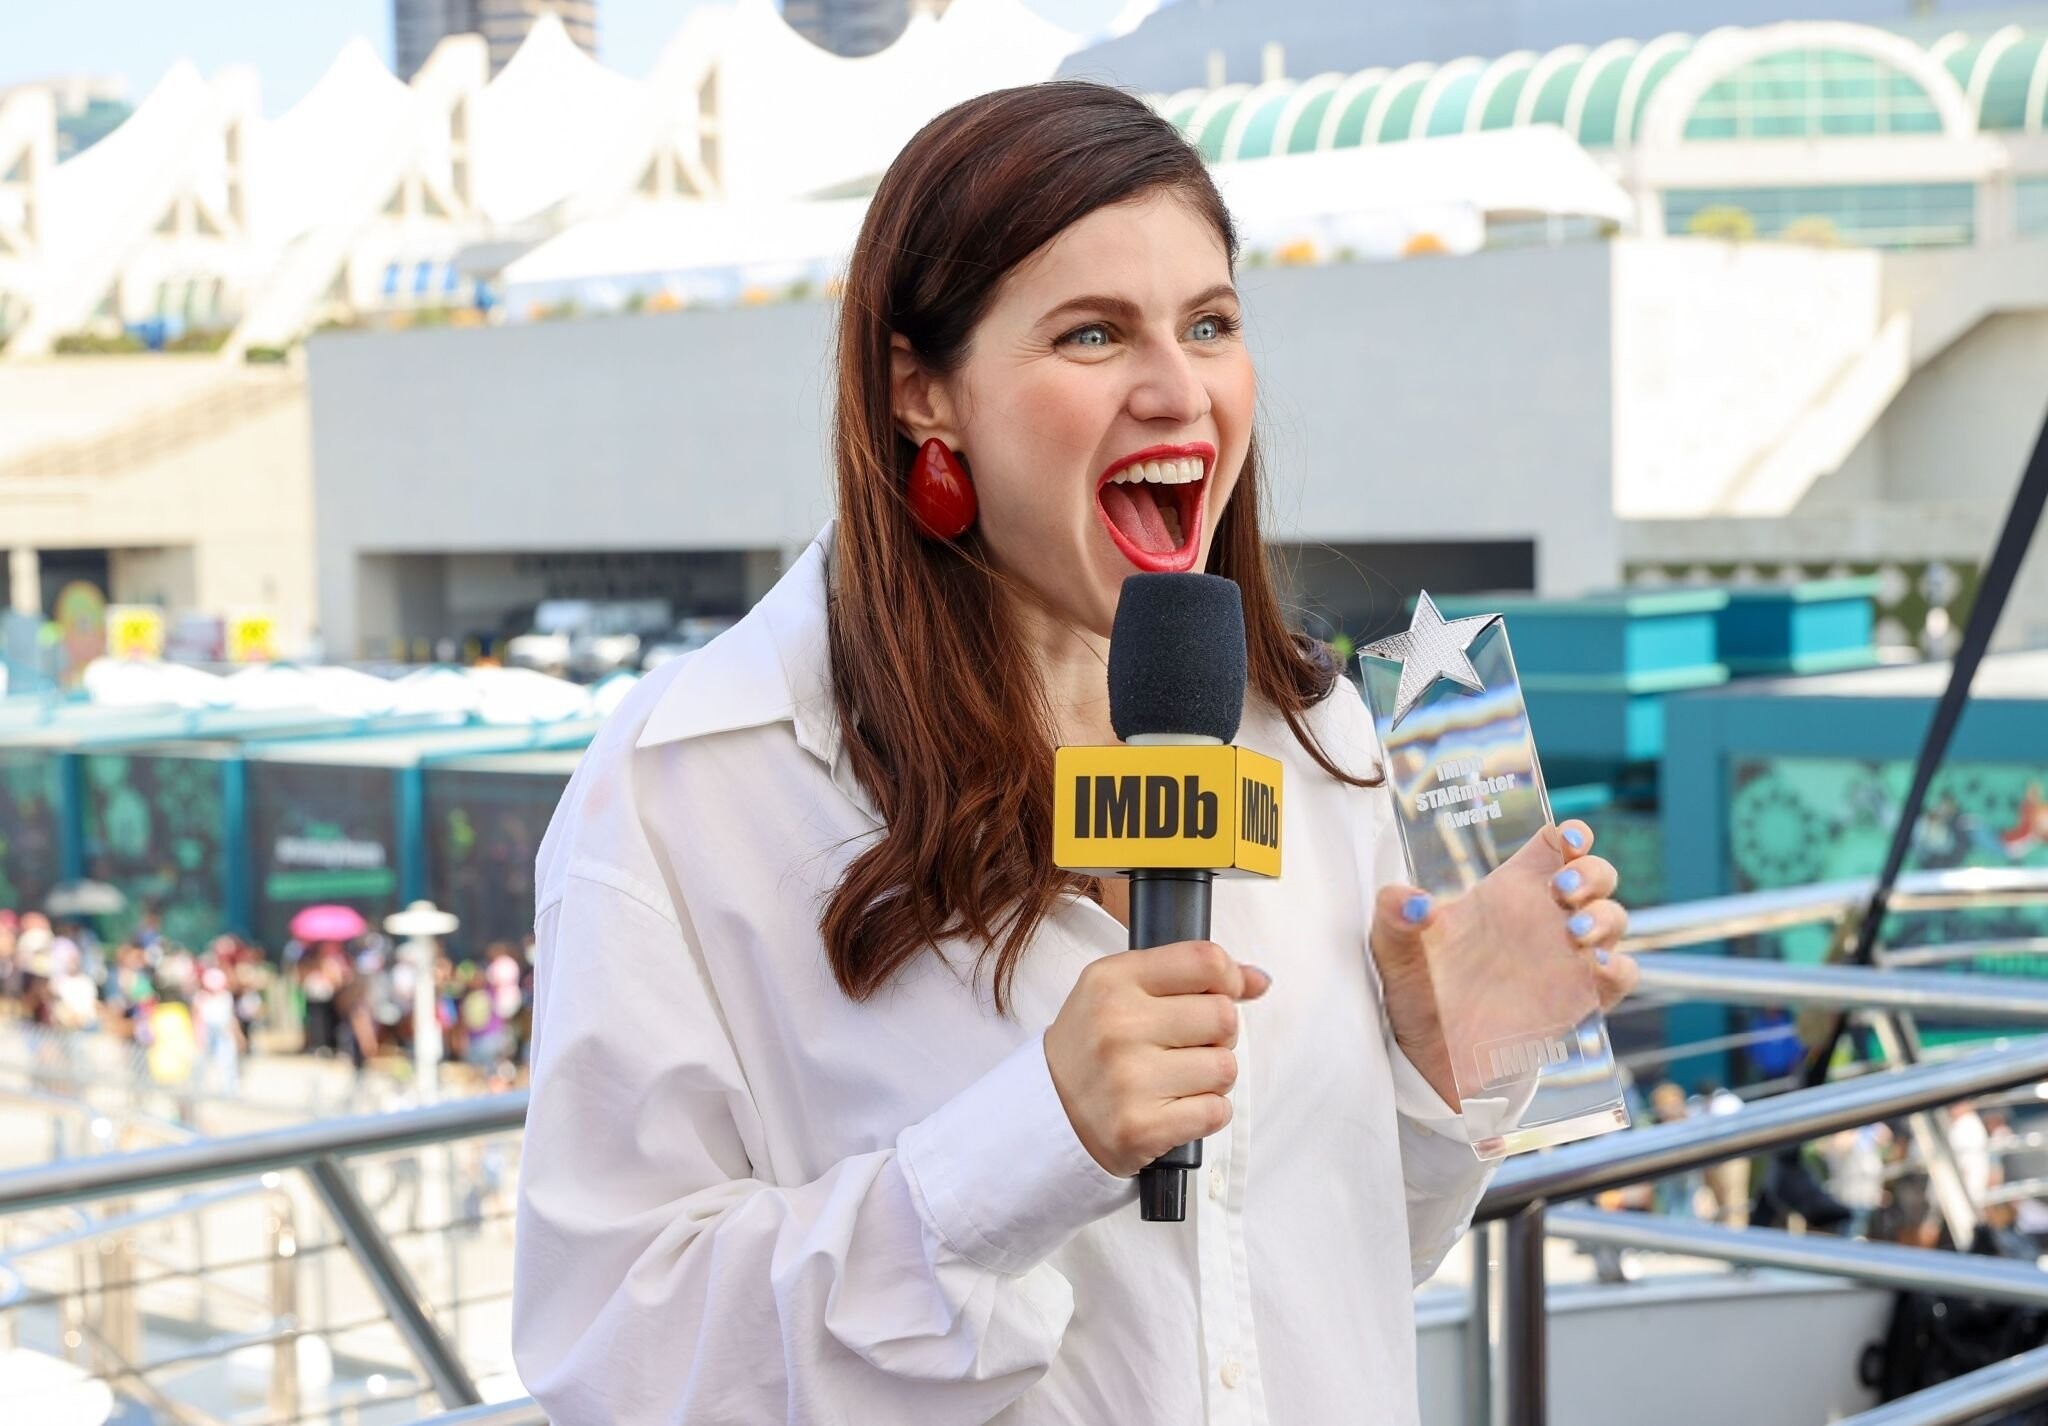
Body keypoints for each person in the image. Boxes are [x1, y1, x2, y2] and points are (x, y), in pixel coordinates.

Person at [510, 81, 1639, 1426]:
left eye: (1210, 324)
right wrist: (1030, 1141)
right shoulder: (687, 788)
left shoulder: (1319, 732)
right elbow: (615, 1359)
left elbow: (1302, 1279)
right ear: (921, 391)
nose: (1179, 391)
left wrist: (1437, 1063)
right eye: (1093, 333)